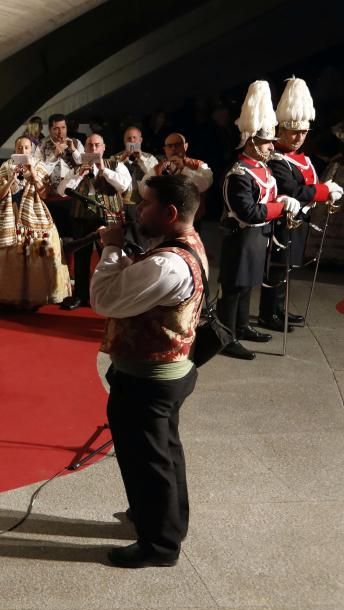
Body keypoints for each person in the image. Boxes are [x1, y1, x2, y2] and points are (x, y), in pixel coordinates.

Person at [91, 175, 208, 568]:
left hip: (149, 378)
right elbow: (138, 278)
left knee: (149, 460)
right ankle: (165, 521)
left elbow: (105, 299)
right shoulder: (182, 244)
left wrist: (109, 249)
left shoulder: (168, 263)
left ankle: (159, 546)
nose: (138, 211)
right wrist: (126, 252)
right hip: (166, 371)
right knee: (164, 453)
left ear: (170, 213)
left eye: (145, 205)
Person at [217, 81, 300, 360]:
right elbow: (248, 212)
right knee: (233, 287)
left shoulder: (261, 169)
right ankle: (225, 337)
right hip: (241, 235)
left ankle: (241, 327)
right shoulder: (239, 173)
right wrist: (280, 206)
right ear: (251, 141)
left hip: (258, 236)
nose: (270, 147)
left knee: (248, 283)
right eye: (265, 142)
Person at [261, 77, 343, 330]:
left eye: (303, 133)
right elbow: (293, 189)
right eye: (294, 132)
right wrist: (323, 190)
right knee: (276, 268)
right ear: (282, 132)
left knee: (288, 267)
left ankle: (279, 309)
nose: (298, 138)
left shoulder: (302, 158)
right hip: (281, 220)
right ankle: (268, 313)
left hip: (300, 220)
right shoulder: (277, 159)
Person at [0, 136, 71, 308]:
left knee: (36, 254)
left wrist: (31, 171)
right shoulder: (6, 166)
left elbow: (44, 194)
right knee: (9, 256)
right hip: (10, 214)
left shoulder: (39, 166)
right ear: (15, 149)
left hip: (35, 214)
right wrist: (11, 177)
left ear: (31, 149)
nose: (23, 151)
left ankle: (35, 297)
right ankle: (10, 296)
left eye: (26, 147)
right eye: (19, 147)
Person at [57, 134, 132, 309]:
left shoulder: (116, 165)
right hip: (81, 216)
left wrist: (102, 169)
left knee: (111, 256)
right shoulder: (76, 168)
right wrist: (78, 175)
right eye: (89, 145)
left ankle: (113, 294)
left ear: (103, 148)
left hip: (108, 216)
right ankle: (81, 295)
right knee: (81, 256)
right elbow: (62, 191)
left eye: (96, 145)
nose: (93, 149)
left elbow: (124, 185)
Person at [111, 127, 158, 206]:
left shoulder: (149, 158)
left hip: (143, 202)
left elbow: (154, 175)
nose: (131, 141)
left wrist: (141, 158)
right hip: (120, 201)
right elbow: (110, 175)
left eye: (134, 138)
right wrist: (121, 160)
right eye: (128, 138)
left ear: (140, 140)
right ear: (124, 141)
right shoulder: (114, 158)